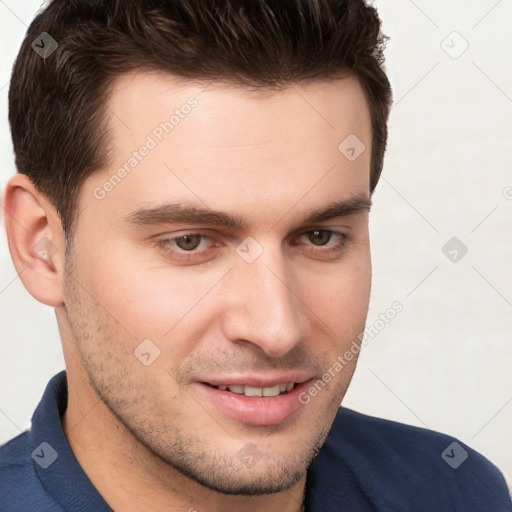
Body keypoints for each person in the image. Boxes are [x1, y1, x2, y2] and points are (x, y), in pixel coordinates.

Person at [1, 0, 510, 510]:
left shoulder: (454, 492)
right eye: (190, 242)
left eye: (319, 237)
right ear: (41, 246)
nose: (277, 328)